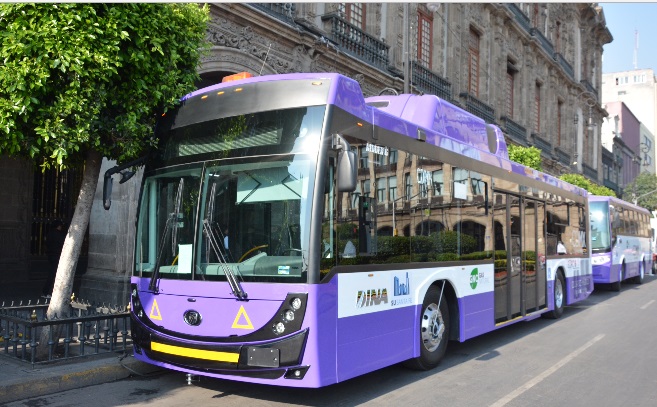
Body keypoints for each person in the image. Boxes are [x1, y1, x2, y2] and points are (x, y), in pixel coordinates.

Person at [42, 220, 66, 298]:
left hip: (51, 256)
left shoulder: (50, 234)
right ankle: (46, 292)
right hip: (57, 256)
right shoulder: (59, 235)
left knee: (52, 274)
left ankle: (47, 292)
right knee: (54, 275)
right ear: (58, 226)